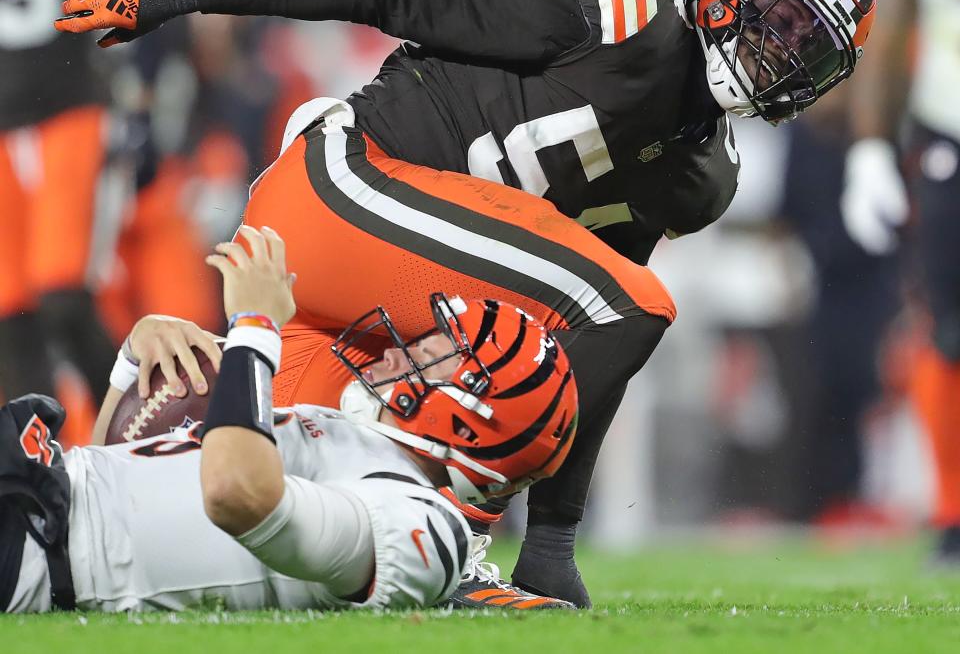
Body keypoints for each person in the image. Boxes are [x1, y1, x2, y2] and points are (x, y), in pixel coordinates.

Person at [54, 0, 876, 606]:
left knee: (245, 523)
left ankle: (63, 502)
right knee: (633, 302)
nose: (786, 54)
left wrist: (555, 538)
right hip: (344, 191)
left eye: (815, 53)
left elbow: (591, 354)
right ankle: (464, 545)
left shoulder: (705, 176)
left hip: (376, 310)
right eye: (782, 17)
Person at [1, 226, 577, 613]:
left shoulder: (426, 527)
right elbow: (110, 480)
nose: (397, 353)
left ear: (468, 422)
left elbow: (235, 497)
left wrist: (255, 325)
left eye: (428, 358)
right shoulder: (354, 439)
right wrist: (132, 365)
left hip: (26, 539)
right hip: (39, 486)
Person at [842, 0, 960, 562]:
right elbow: (896, 15)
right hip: (953, 126)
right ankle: (953, 510)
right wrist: (871, 146)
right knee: (949, 328)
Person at [0, 0, 137, 416]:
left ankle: (135, 429)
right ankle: (44, 462)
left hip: (65, 100)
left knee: (61, 293)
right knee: (9, 311)